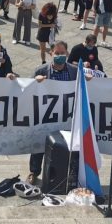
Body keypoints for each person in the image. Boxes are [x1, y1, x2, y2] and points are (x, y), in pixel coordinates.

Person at [29, 41, 77, 184]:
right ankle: (34, 172)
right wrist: (34, 82)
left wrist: (89, 80)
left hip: (65, 117)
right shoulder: (41, 71)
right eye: (57, 53)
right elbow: (26, 91)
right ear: (51, 53)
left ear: (67, 54)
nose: (60, 56)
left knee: (65, 147)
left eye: (62, 53)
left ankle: (63, 175)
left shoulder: (74, 71)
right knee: (39, 145)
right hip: (45, 117)